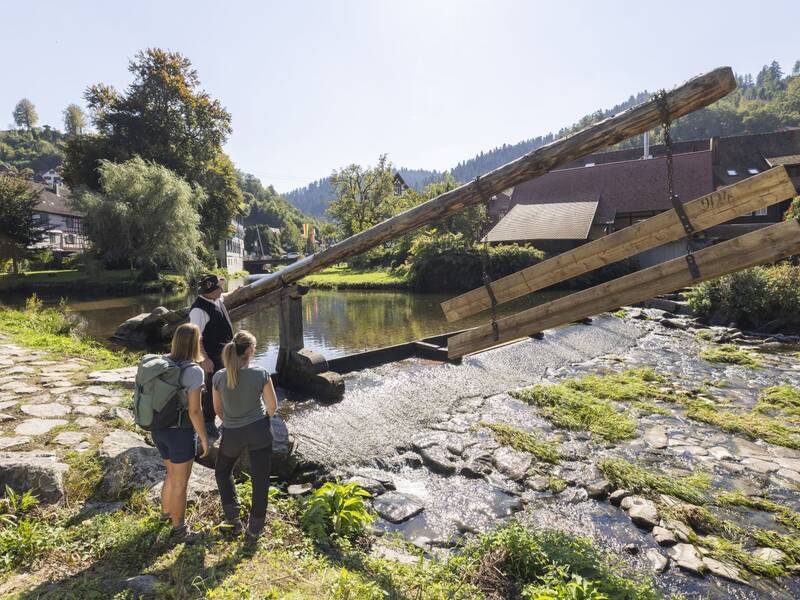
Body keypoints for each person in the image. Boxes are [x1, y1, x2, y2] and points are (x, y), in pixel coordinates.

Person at [212, 330, 278, 540]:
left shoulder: (219, 377)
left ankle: (233, 518)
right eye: (255, 347)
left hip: (232, 433)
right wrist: (260, 420)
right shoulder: (260, 373)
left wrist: (233, 421)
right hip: (259, 430)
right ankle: (254, 529)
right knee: (261, 480)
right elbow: (272, 406)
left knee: (222, 471)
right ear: (249, 351)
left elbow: (218, 411)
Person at [151, 323, 209, 543]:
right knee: (180, 484)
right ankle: (179, 531)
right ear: (195, 343)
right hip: (180, 433)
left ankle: (166, 514)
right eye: (200, 340)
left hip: (159, 428)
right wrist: (204, 438)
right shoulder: (194, 371)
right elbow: (194, 411)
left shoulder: (162, 362)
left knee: (171, 475)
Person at [189, 274, 233, 441]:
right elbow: (196, 337)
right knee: (209, 389)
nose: (222, 290)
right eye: (218, 288)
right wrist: (203, 359)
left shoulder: (216, 300)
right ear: (210, 291)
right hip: (210, 357)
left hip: (223, 354)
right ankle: (208, 422)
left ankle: (223, 415)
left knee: (223, 385)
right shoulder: (198, 310)